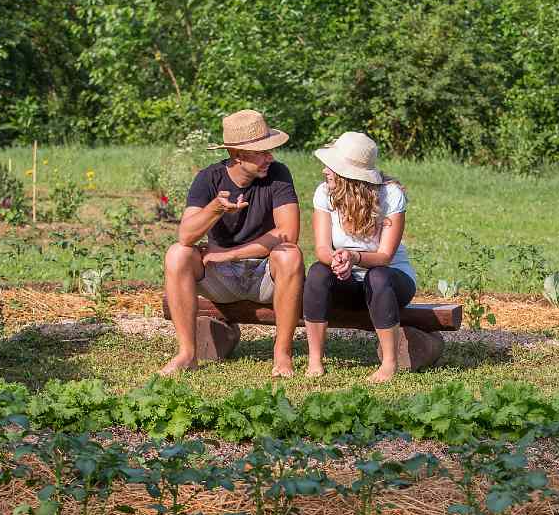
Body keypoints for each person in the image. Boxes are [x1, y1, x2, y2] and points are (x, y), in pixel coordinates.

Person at [162, 109, 304, 377]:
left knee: (290, 254)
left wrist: (228, 255)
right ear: (238, 155)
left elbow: (288, 232)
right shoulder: (209, 178)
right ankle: (187, 354)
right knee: (176, 254)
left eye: (269, 150)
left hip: (264, 275)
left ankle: (282, 354)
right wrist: (215, 208)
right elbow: (186, 235)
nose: (269, 157)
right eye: (261, 152)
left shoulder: (278, 173)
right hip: (222, 281)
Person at [302, 132, 417, 383]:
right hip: (348, 281)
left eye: (331, 167)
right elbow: (321, 248)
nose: (325, 171)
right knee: (317, 272)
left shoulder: (391, 196)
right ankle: (315, 360)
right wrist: (335, 260)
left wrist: (354, 256)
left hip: (389, 283)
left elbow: (385, 256)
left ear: (348, 175)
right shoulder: (324, 193)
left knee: (377, 276)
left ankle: (389, 363)